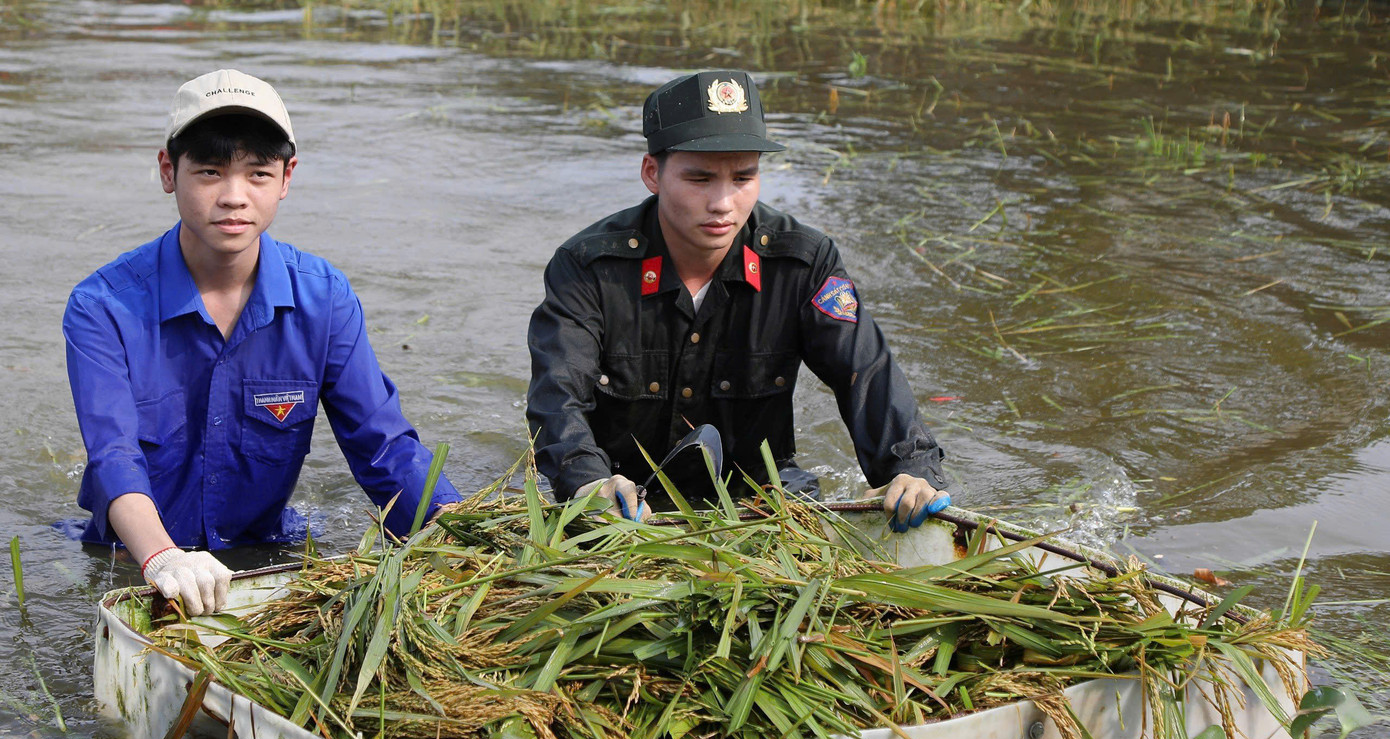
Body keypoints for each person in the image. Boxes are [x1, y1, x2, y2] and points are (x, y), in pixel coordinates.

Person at [64, 69, 460, 615]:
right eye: (208, 171)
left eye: (257, 173)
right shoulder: (102, 306)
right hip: (132, 561)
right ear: (167, 171)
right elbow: (114, 455)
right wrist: (164, 559)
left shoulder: (324, 300)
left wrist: (470, 540)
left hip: (263, 555)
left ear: (287, 177)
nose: (233, 197)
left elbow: (383, 447)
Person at [526, 70, 950, 529]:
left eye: (743, 177)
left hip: (761, 498)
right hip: (626, 499)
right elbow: (558, 395)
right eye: (700, 178)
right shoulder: (588, 267)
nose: (723, 203)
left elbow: (865, 372)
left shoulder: (802, 263)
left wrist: (909, 470)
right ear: (653, 173)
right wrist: (589, 483)